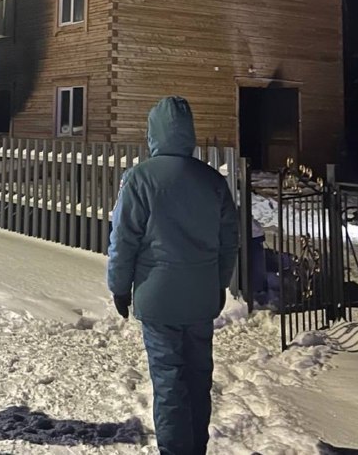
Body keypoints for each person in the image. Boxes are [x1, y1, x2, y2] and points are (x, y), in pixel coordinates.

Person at [107, 96, 239, 455]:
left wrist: (119, 287)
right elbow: (229, 241)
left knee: (169, 382)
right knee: (198, 378)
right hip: (200, 297)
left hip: (158, 298)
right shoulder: (212, 181)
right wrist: (219, 283)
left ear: (154, 132)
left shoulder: (140, 178)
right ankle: (196, 447)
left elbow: (124, 239)